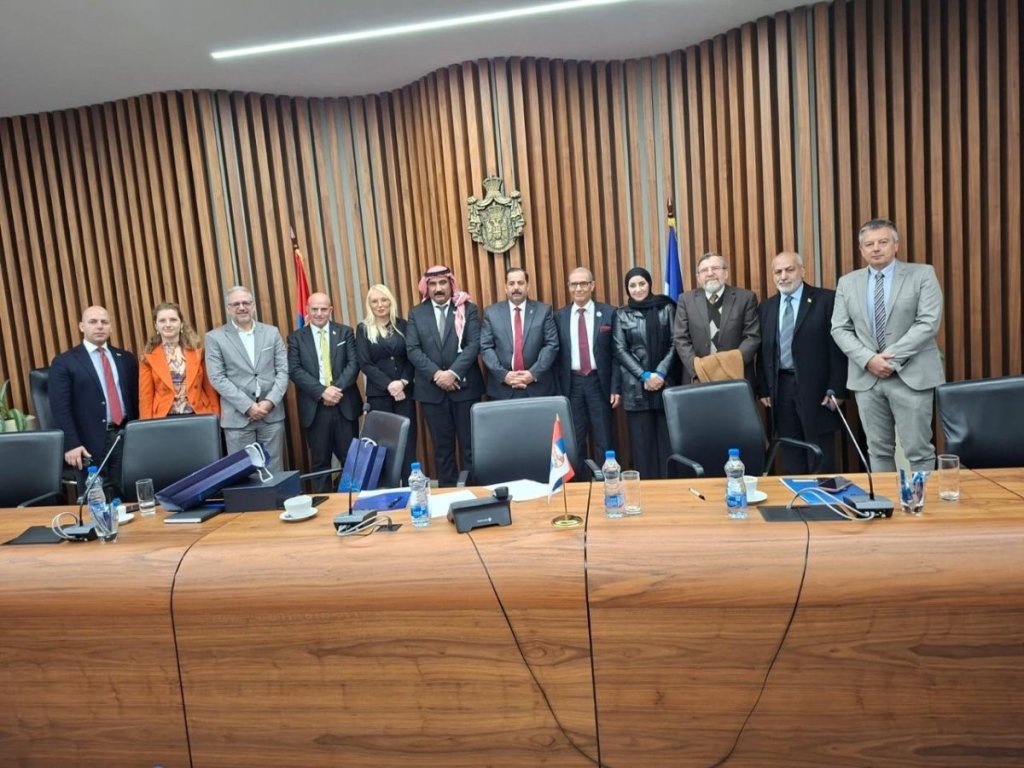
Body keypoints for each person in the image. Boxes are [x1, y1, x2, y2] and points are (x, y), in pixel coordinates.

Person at [831, 218, 944, 472]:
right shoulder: (847, 282)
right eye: (869, 244)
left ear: (896, 245)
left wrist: (889, 359)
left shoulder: (922, 274)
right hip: (867, 378)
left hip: (911, 376)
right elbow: (839, 328)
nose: (876, 248)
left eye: (883, 242)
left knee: (918, 451)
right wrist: (869, 360)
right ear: (861, 249)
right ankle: (886, 498)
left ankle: (920, 499)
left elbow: (928, 322)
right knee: (878, 451)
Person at [756, 252, 848, 474]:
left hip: (818, 389)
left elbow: (838, 349)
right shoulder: (767, 307)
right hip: (781, 388)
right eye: (778, 272)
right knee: (790, 449)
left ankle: (823, 494)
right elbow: (764, 350)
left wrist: (837, 387)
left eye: (789, 270)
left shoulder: (826, 300)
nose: (783, 276)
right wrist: (764, 388)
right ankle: (795, 493)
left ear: (802, 271)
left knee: (821, 451)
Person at [406, 265, 485, 486]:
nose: (438, 288)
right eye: (432, 284)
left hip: (465, 389)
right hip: (432, 392)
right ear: (426, 287)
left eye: (442, 283)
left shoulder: (467, 309)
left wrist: (452, 373)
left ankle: (473, 494)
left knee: (470, 447)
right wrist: (437, 375)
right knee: (442, 449)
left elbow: (474, 345)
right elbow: (412, 349)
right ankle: (448, 494)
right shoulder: (416, 313)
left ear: (451, 284)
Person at [49, 305, 139, 494]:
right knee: (98, 497)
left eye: (104, 322)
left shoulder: (126, 359)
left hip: (126, 437)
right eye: (93, 322)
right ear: (82, 326)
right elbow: (60, 408)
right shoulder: (65, 362)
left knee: (128, 493)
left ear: (111, 327)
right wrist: (71, 444)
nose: (99, 326)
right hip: (88, 443)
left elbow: (136, 400)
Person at [205, 286, 290, 473]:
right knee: (242, 473)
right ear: (228, 308)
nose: (242, 307)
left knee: (274, 471)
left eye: (246, 303)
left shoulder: (271, 332)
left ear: (253, 306)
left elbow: (283, 371)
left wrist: (269, 402)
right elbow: (217, 377)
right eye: (236, 304)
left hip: (271, 415)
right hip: (238, 418)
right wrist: (248, 406)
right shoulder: (215, 338)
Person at [287, 292, 363, 492]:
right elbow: (294, 370)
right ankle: (324, 505)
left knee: (351, 461)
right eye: (314, 309)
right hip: (315, 408)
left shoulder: (345, 332)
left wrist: (335, 391)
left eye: (323, 309)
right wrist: (322, 392)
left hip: (344, 405)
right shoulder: (296, 337)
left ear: (331, 310)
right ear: (307, 310)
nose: (319, 313)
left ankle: (352, 502)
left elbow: (353, 364)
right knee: (320, 462)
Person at [611, 267, 678, 479]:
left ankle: (669, 488)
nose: (638, 289)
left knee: (668, 445)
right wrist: (645, 376)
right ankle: (648, 490)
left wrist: (659, 373)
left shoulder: (667, 308)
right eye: (632, 285)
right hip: (636, 389)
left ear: (649, 284)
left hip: (665, 385)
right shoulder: (621, 314)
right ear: (627, 289)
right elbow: (619, 349)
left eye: (642, 284)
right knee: (642, 447)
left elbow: (676, 342)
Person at [555, 266, 621, 467]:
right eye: (574, 284)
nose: (578, 288)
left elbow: (617, 354)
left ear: (592, 285)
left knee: (604, 438)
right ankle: (580, 483)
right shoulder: (559, 316)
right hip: (572, 384)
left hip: (599, 383)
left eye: (583, 283)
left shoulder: (609, 313)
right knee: (574, 440)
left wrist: (615, 387)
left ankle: (606, 481)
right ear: (568, 287)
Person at [355, 283, 417, 477]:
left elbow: (412, 357)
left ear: (391, 302)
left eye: (384, 300)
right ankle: (387, 486)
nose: (380, 305)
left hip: (404, 394)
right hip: (379, 395)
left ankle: (409, 483)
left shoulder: (403, 325)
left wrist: (403, 382)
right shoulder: (363, 329)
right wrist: (389, 385)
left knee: (407, 441)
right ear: (369, 305)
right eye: (375, 301)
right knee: (384, 444)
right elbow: (365, 363)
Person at [673, 252, 760, 384]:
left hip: (735, 377)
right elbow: (681, 338)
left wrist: (729, 366)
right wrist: (698, 369)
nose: (710, 273)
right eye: (704, 270)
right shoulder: (685, 300)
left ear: (726, 273)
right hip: (698, 378)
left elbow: (752, 337)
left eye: (715, 268)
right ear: (698, 277)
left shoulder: (746, 298)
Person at [480, 267, 559, 399]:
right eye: (511, 283)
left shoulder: (543, 311)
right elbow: (485, 347)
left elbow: (551, 345)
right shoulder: (491, 313)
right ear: (505, 288)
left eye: (520, 283)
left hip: (537, 387)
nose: (516, 287)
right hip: (502, 389)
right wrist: (504, 375)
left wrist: (533, 374)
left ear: (527, 286)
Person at [139, 302, 220, 419]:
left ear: (181, 324)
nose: (168, 325)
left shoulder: (198, 352)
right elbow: (145, 397)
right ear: (156, 326)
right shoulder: (148, 357)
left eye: (173, 320)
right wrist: (145, 424)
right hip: (164, 418)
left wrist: (216, 417)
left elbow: (210, 390)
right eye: (162, 321)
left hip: (199, 415)